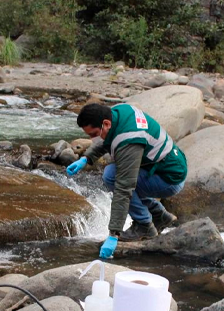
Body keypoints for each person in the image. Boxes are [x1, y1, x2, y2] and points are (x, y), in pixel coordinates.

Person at [66, 103, 188, 259]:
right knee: (112, 173)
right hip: (164, 168)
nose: (92, 139)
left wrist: (113, 235)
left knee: (113, 177)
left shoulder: (130, 140)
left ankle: (144, 226)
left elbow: (124, 189)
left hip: (169, 179)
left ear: (106, 124)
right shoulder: (118, 112)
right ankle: (158, 215)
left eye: (94, 133)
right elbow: (108, 139)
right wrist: (86, 158)